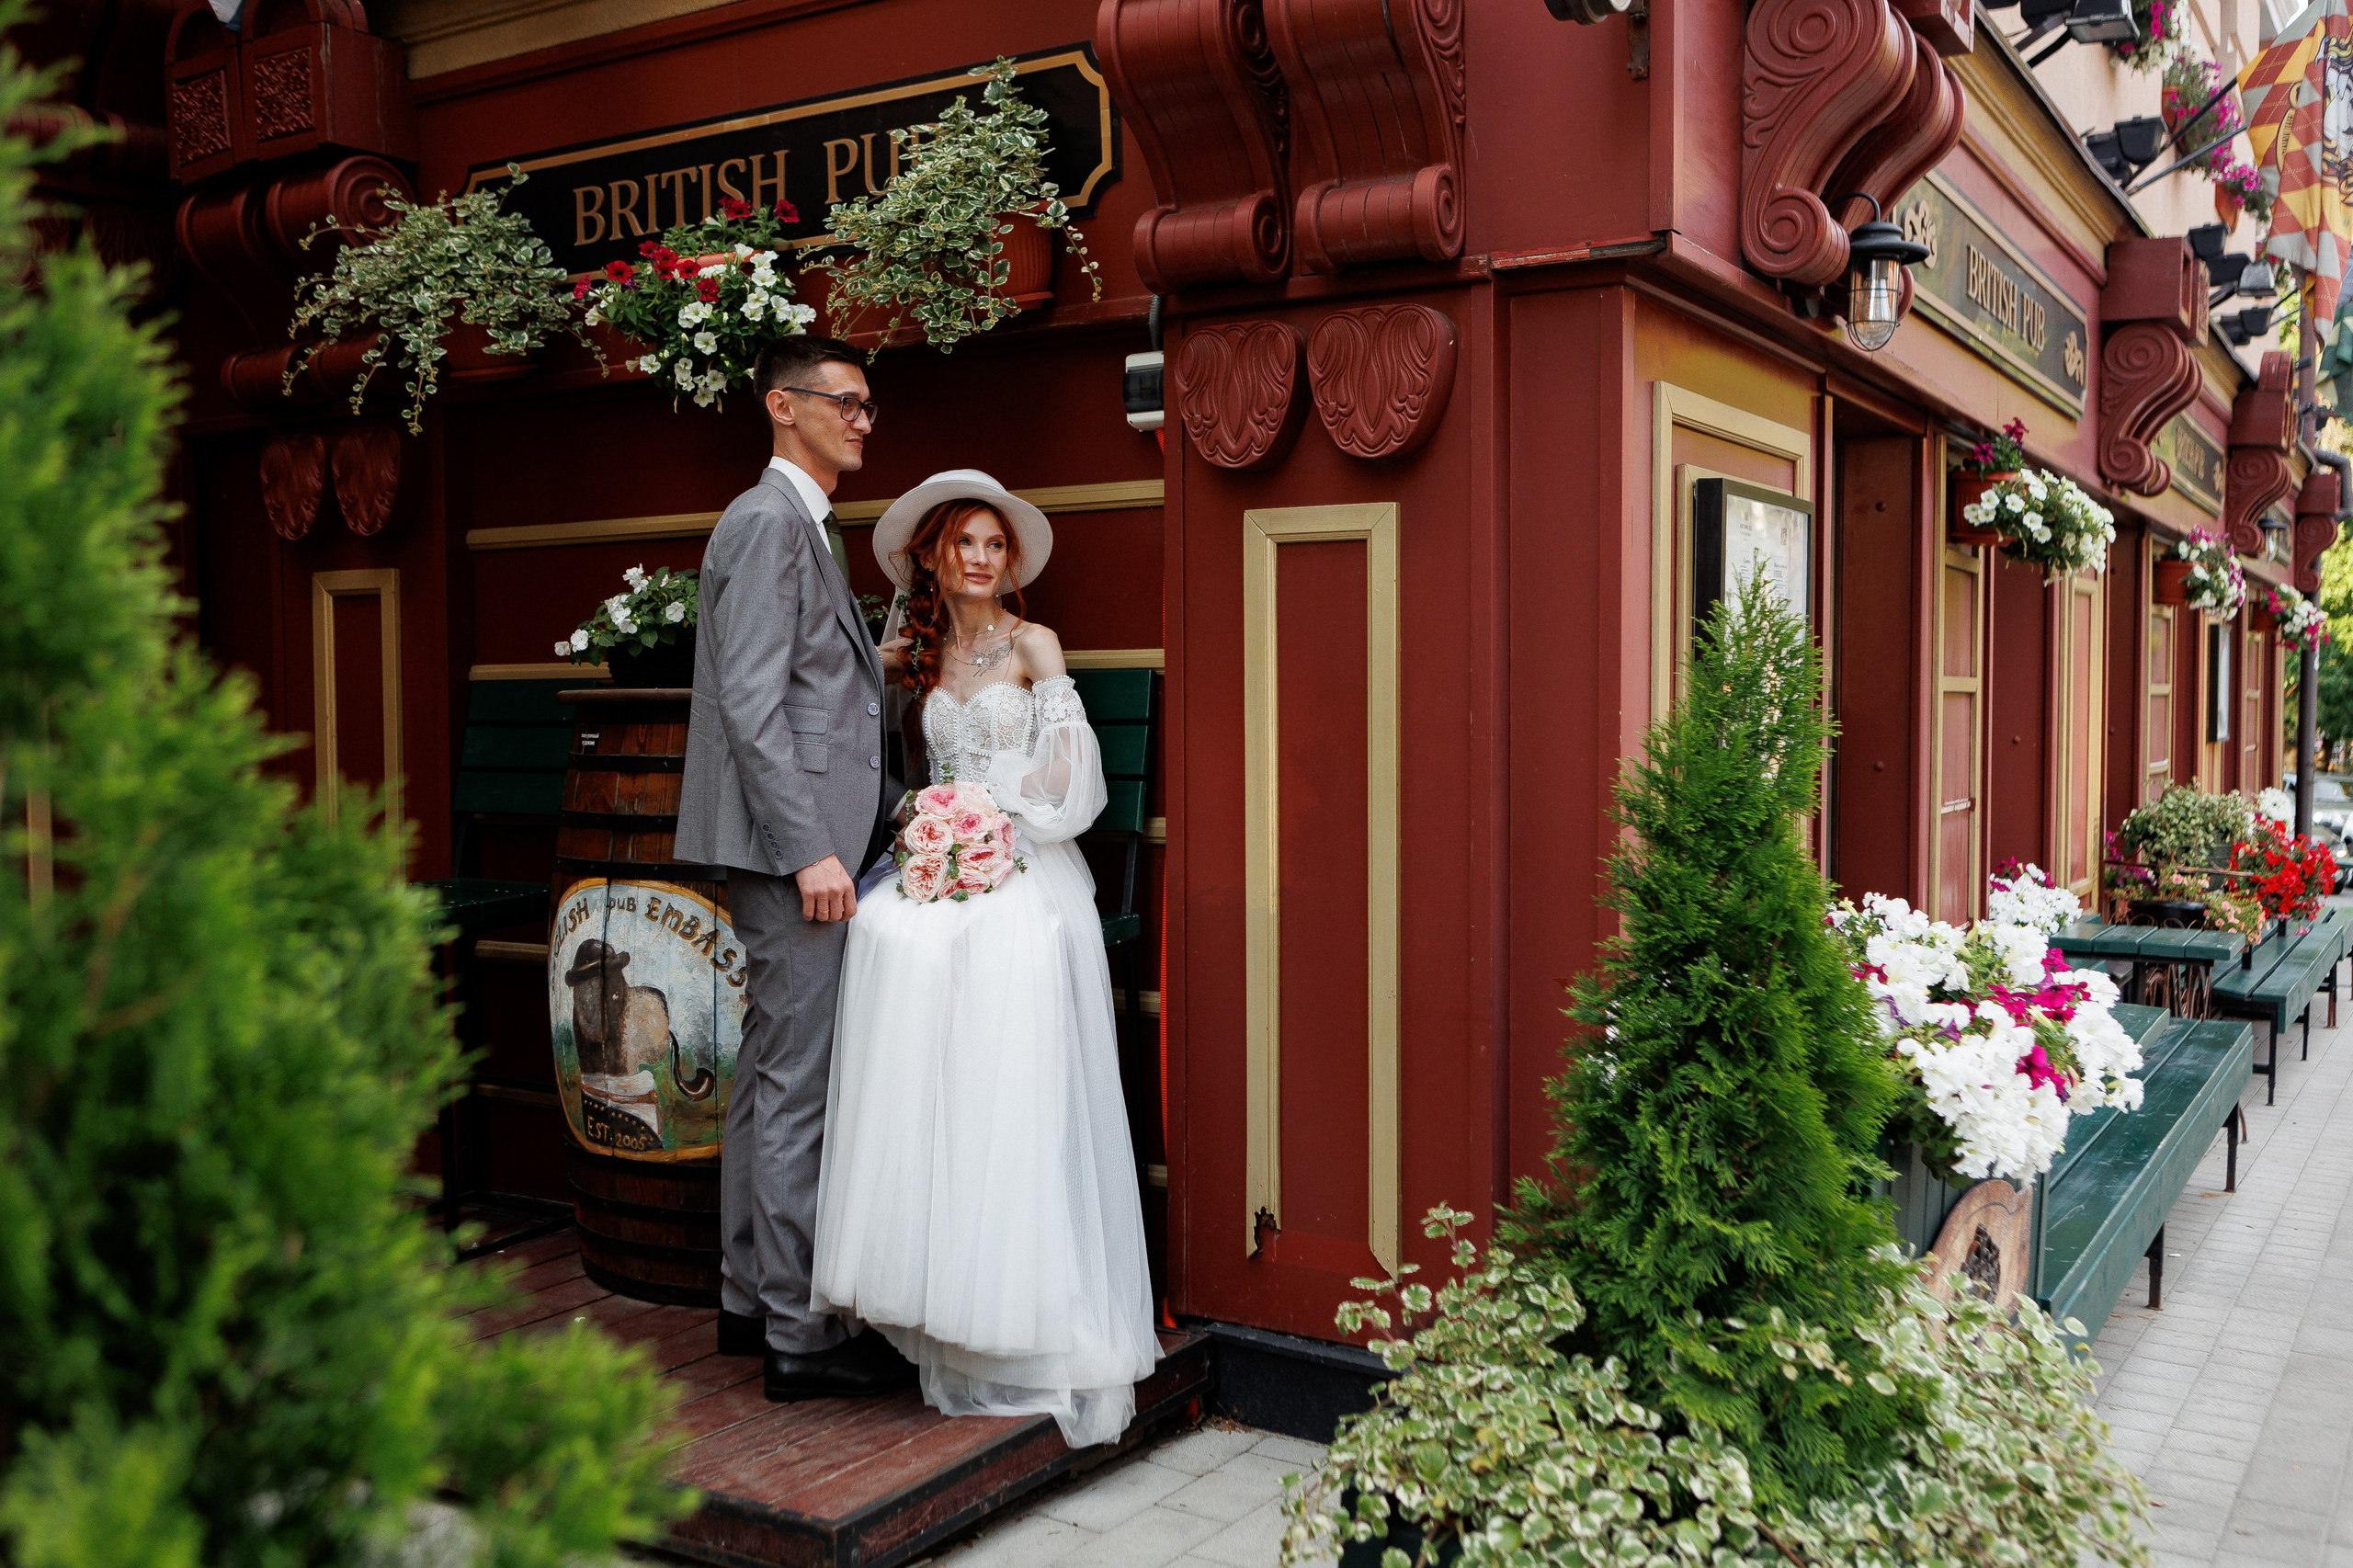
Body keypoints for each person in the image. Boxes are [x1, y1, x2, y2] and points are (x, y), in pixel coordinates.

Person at [811, 471, 1160, 1448]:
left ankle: (1010, 1296)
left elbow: (1071, 777)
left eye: (993, 544)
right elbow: (853, 729)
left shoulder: (1033, 643)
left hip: (1025, 854)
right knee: (884, 933)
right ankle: (921, 1278)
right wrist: (928, 821)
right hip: (939, 851)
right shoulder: (911, 652)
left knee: (991, 948)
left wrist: (991, 810)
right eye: (962, 542)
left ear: (1008, 562)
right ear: (930, 556)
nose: (978, 557)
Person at [675, 335, 914, 1403]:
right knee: (797, 1084)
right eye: (844, 401)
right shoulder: (769, 521)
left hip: (798, 842)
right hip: (793, 852)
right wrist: (810, 846)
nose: (862, 420)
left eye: (867, 405)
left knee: (771, 1071)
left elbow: (808, 689)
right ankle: (799, 1336)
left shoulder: (799, 523)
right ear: (783, 405)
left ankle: (748, 1296)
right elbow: (752, 705)